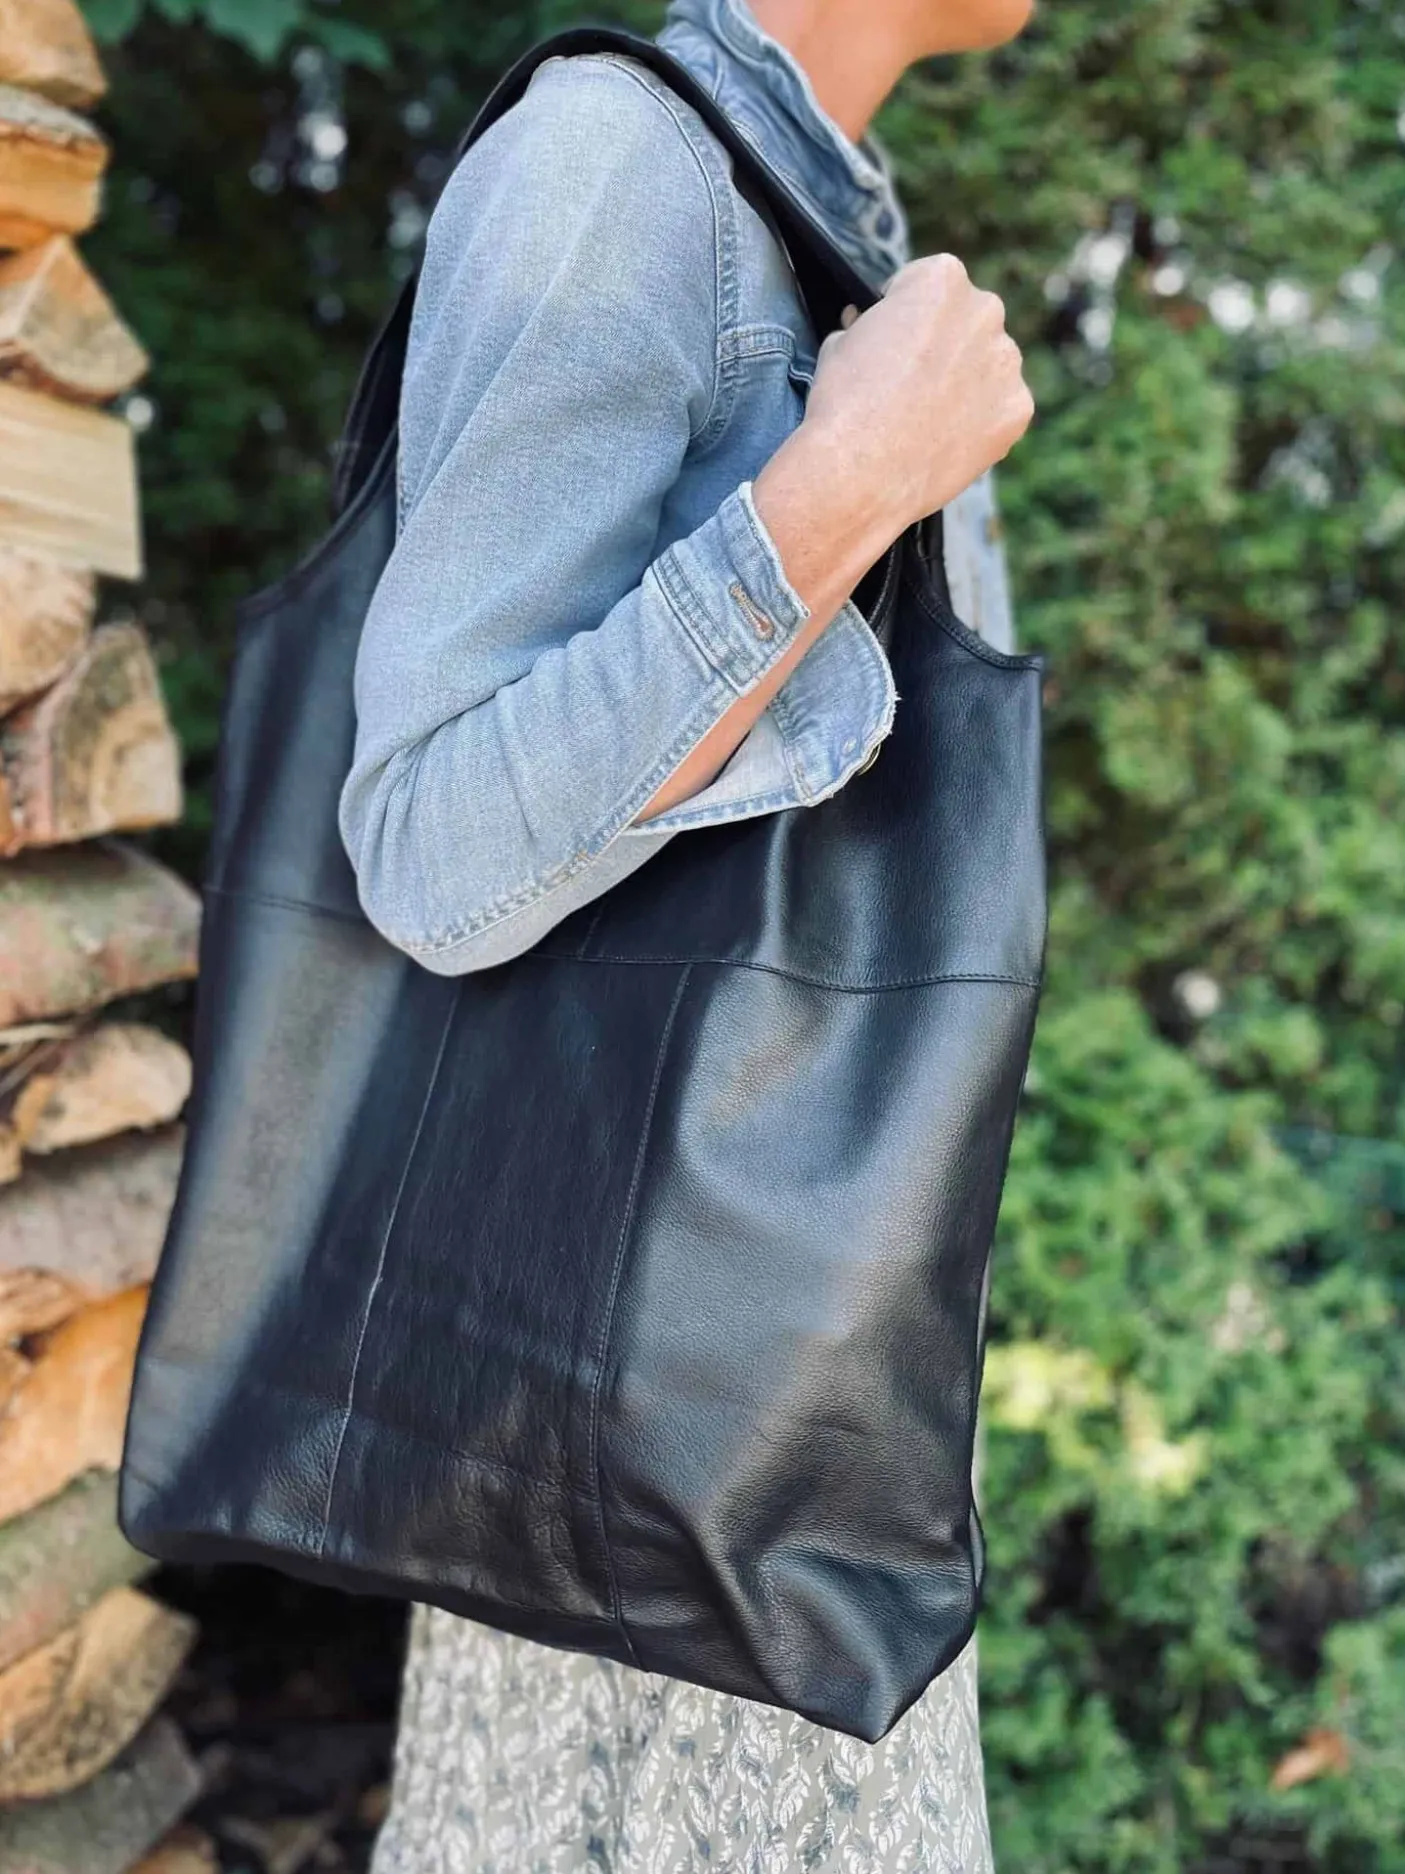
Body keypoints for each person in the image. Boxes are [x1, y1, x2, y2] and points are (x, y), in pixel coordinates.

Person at [343, 0, 1036, 1864]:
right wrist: (839, 494)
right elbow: (430, 841)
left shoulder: (839, 228)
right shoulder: (607, 168)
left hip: (813, 1459)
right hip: (631, 1526)